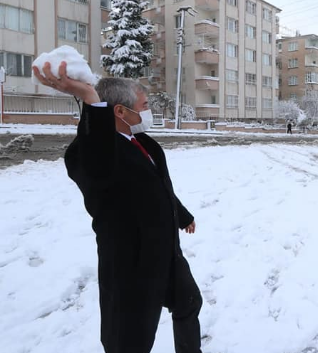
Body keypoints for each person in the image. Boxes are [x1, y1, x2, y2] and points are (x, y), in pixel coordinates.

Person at [33, 61, 203, 353]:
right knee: (129, 339)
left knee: (189, 301)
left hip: (166, 253)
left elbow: (158, 188)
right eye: (145, 104)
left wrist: (182, 216)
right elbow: (98, 164)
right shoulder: (87, 154)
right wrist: (90, 101)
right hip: (132, 265)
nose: (149, 110)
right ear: (120, 111)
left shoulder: (144, 143)